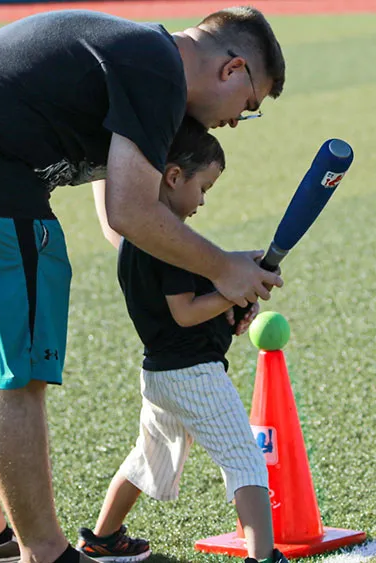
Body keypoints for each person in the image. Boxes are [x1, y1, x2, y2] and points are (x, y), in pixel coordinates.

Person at [0, 7, 285, 563]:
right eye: (250, 103)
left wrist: (213, 285)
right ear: (232, 68)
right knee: (18, 374)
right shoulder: (161, 72)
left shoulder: (140, 56)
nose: (238, 121)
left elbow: (123, 226)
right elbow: (130, 212)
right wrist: (222, 268)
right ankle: (46, 553)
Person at [78, 117, 286, 563]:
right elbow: (185, 311)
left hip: (159, 375)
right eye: (203, 187)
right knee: (245, 460)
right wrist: (232, 291)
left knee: (148, 457)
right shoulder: (168, 243)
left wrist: (234, 287)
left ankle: (103, 539)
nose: (204, 200)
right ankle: (263, 557)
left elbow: (196, 289)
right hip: (194, 376)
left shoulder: (141, 236)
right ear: (173, 177)